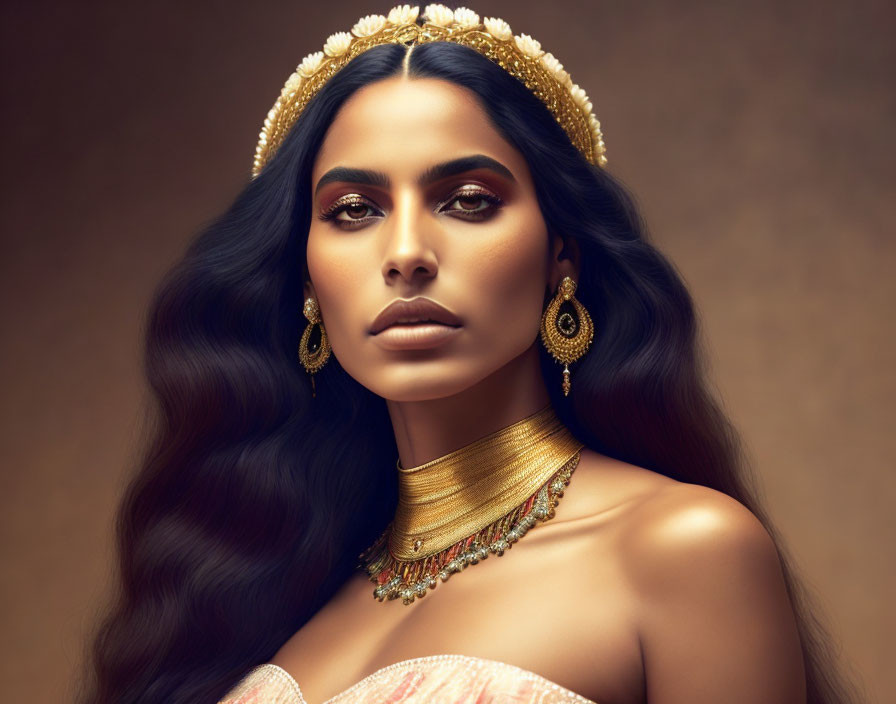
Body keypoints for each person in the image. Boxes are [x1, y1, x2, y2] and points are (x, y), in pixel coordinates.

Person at [78, 5, 857, 704]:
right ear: (305, 278)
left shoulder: (682, 551)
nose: (407, 252)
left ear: (563, 256)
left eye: (469, 201)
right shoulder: (269, 585)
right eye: (354, 210)